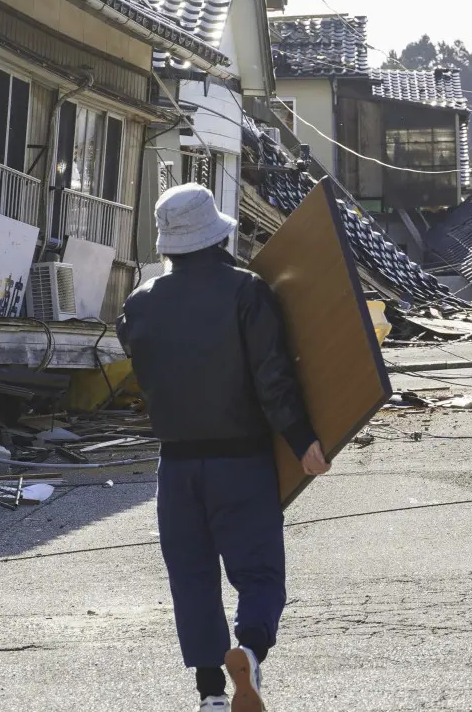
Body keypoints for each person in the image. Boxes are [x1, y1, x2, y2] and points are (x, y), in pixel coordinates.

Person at [117, 183, 332, 712]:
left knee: (191, 577)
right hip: (241, 458)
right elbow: (272, 378)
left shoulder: (139, 303)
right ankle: (251, 652)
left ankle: (212, 692)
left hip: (177, 463)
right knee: (257, 572)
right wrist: (303, 439)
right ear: (216, 236)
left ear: (169, 243)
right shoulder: (246, 290)